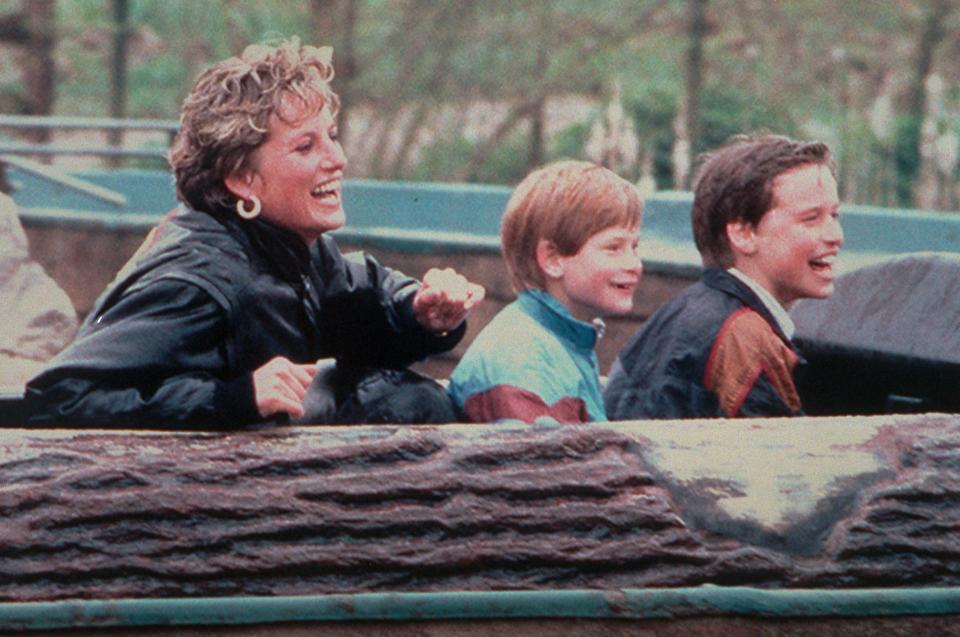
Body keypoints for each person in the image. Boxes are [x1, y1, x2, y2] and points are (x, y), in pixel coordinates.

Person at [25, 38, 483, 428]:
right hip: (167, 512)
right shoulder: (200, 283)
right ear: (242, 179)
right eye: (306, 145)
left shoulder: (288, 246)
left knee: (405, 399)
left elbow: (360, 301)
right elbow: (59, 398)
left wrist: (419, 312)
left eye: (332, 136)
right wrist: (234, 399)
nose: (338, 159)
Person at [604, 133, 843, 420]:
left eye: (835, 216)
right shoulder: (744, 337)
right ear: (743, 233)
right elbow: (781, 458)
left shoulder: (685, 310)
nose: (835, 236)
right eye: (811, 219)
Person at [449, 160, 643, 423]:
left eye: (635, 247)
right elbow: (539, 463)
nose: (634, 264)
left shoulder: (563, 340)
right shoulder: (525, 364)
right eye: (614, 248)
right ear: (552, 259)